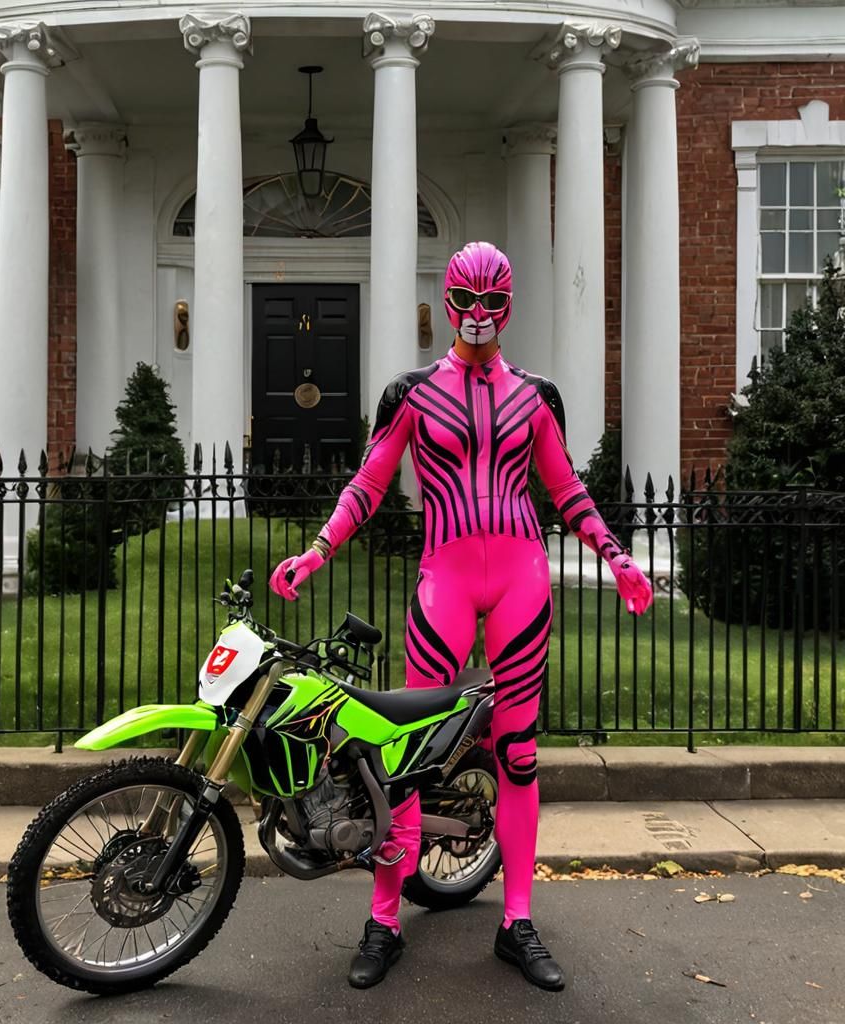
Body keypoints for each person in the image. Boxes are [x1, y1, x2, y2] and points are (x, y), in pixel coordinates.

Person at [269, 241, 653, 991]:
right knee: (404, 753)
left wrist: (616, 555)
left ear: (509, 305)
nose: (478, 317)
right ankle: (383, 918)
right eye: (466, 301)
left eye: (493, 303)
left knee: (517, 754)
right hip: (445, 577)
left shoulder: (537, 397)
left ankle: (516, 921)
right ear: (446, 302)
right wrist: (317, 549)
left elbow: (565, 487)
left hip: (520, 582)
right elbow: (370, 482)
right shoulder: (410, 394)